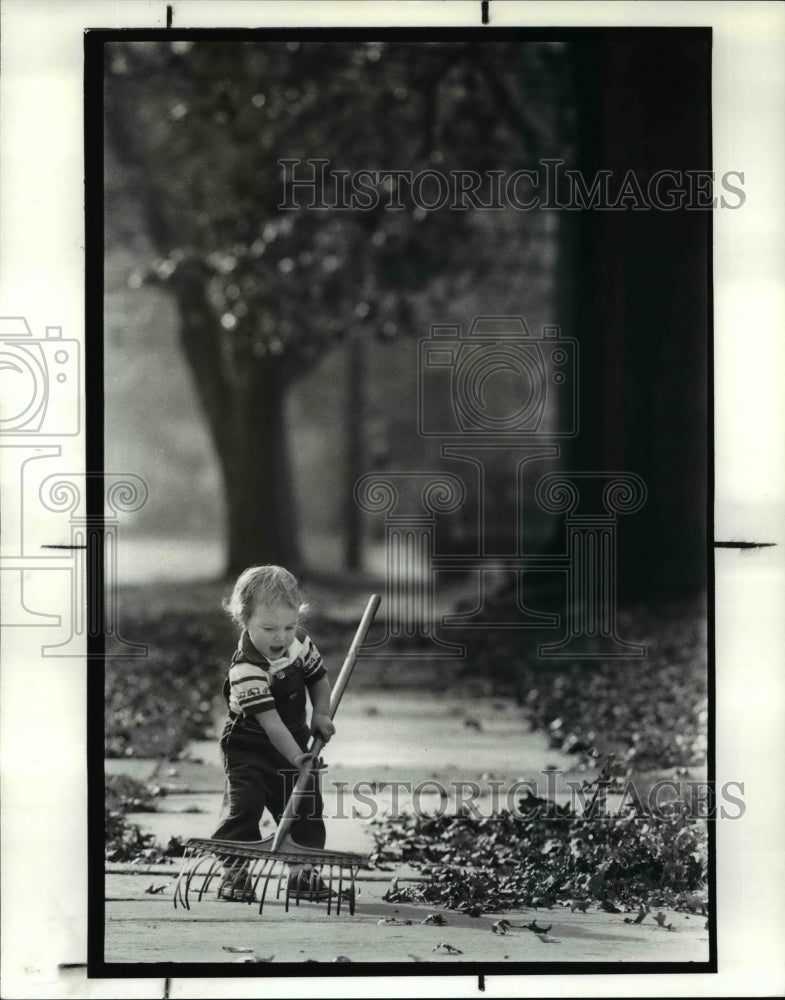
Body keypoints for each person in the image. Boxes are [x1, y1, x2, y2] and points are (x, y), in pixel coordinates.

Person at [211, 565, 336, 902]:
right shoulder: (246, 670)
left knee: (305, 805)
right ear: (244, 621)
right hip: (249, 748)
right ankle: (234, 871)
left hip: (293, 738)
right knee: (245, 806)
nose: (280, 637)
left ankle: (302, 873)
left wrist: (321, 714)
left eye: (289, 625)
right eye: (269, 628)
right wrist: (298, 756)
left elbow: (318, 680)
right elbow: (271, 723)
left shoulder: (299, 644)